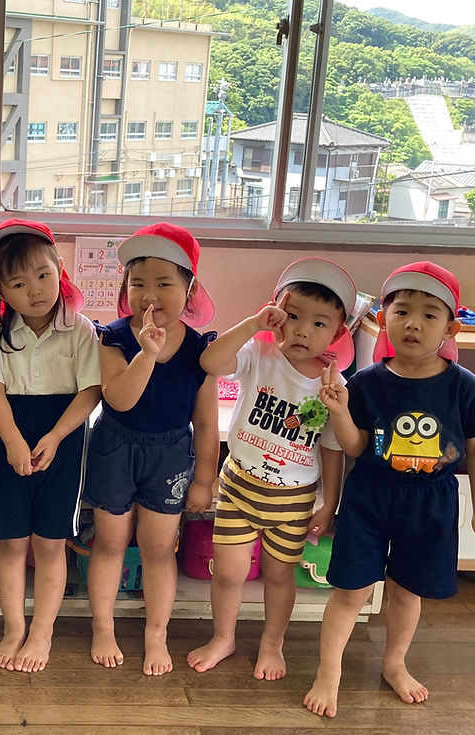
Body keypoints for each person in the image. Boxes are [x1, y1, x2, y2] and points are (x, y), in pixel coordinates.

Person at [304, 262, 475, 718]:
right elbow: (354, 446)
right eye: (402, 311)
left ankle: (394, 663)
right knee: (350, 590)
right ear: (382, 318)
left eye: (429, 315)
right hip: (369, 497)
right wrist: (340, 412)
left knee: (407, 591)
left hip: (431, 502)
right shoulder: (366, 382)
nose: (413, 323)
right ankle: (328, 672)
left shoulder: (466, 388)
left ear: (450, 328)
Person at [188, 258, 354, 681]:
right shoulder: (259, 353)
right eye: (292, 316)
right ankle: (223, 637)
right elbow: (211, 362)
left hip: (293, 501)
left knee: (280, 576)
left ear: (337, 333)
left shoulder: (332, 385)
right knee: (228, 572)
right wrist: (252, 324)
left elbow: (333, 449)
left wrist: (329, 504)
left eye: (319, 323)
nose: (302, 330)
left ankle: (272, 643)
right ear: (276, 313)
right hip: (239, 487)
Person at [83, 222, 218, 676]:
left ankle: (155, 634)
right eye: (138, 283)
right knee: (110, 542)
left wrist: (204, 480)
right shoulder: (114, 337)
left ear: (190, 289)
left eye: (164, 284)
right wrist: (146, 353)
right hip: (116, 445)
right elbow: (118, 399)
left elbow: (206, 422)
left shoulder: (201, 350)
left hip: (170, 453)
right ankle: (103, 627)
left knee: (159, 549)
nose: (149, 295)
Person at [0, 218, 101, 673]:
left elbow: (90, 391)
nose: (35, 290)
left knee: (51, 544)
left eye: (43, 275)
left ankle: (42, 632)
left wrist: (54, 436)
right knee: (12, 543)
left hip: (63, 437)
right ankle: (14, 628)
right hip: (8, 435)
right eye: (18, 283)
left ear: (60, 269)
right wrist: (13, 441)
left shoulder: (81, 329)